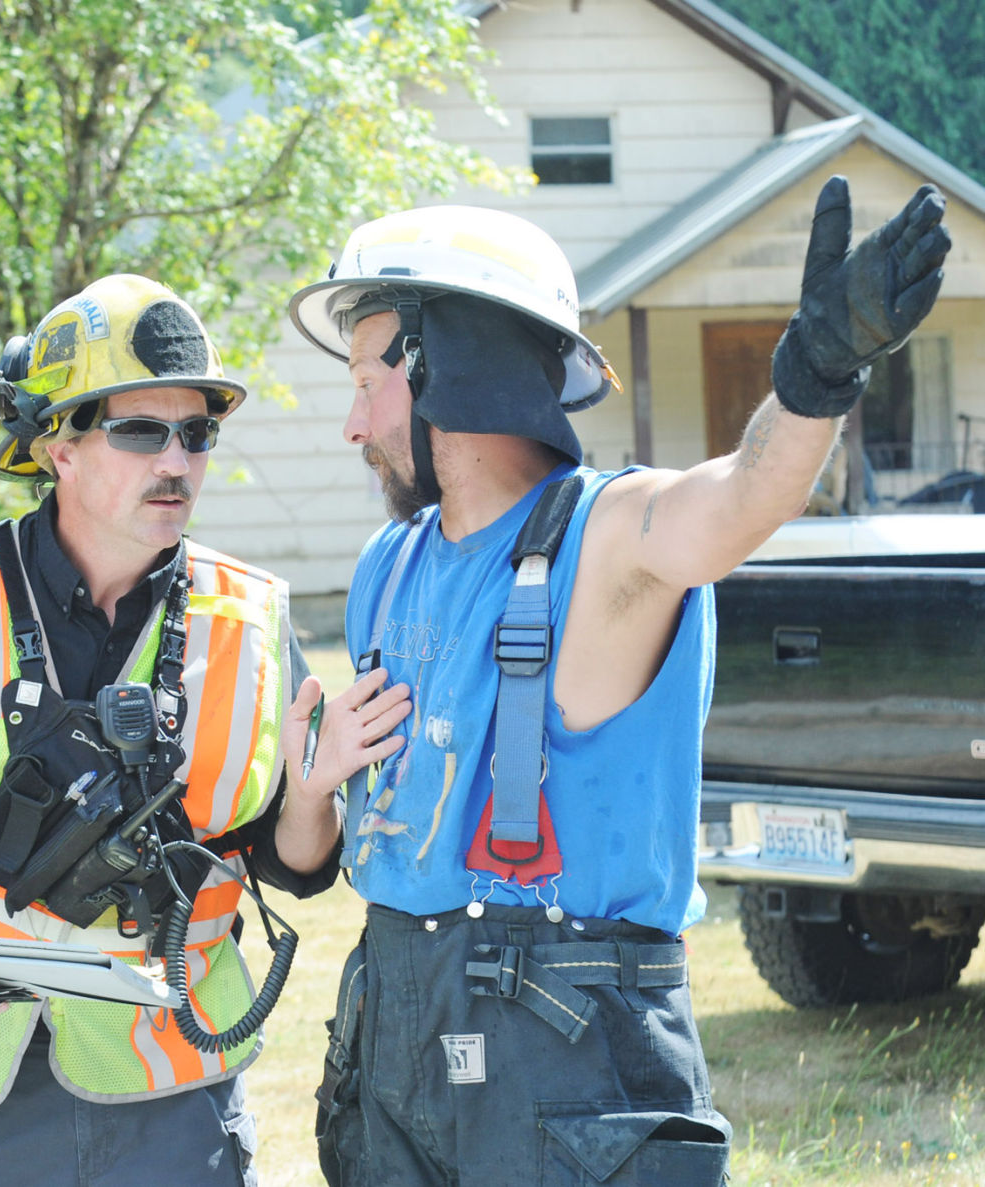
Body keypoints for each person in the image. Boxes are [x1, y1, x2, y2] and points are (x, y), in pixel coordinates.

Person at [286, 177, 948, 1186]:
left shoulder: (607, 534)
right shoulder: (388, 562)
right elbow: (343, 830)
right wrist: (311, 781)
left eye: (369, 375)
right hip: (393, 1030)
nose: (351, 422)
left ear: (444, 365)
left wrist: (818, 369)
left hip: (565, 1051)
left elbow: (741, 496)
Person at [0, 273, 410, 1186]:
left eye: (197, 434)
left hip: (172, 1089)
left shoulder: (250, 619)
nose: (178, 461)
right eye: (141, 431)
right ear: (60, 449)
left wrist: (317, 794)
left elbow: (287, 857)